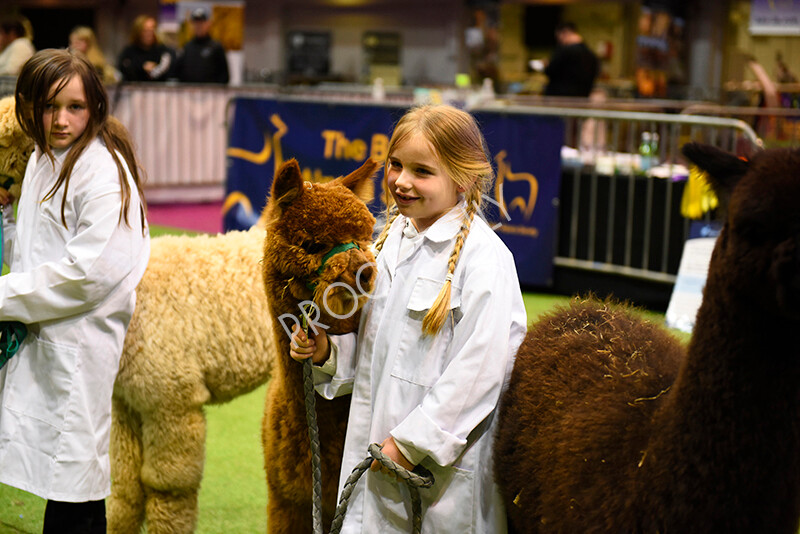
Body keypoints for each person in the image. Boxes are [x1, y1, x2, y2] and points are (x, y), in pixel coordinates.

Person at [290, 104, 527, 533]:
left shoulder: (486, 259)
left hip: (437, 475)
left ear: (464, 177)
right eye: (396, 165)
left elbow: (482, 370)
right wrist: (328, 351)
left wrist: (409, 442)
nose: (401, 181)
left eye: (422, 171)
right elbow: (374, 346)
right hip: (376, 454)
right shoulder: (388, 241)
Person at [0, 49, 150, 532]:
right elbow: (32, 249)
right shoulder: (46, 158)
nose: (60, 120)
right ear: (28, 106)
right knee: (54, 473)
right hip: (40, 333)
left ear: (96, 107)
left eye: (74, 107)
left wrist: (3, 297)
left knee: (75, 479)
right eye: (48, 107)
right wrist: (5, 218)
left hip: (77, 345)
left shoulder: (103, 173)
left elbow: (85, 275)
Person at [532, 21, 599, 97]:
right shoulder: (591, 54)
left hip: (559, 99)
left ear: (565, 33)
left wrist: (545, 65)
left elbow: (550, 71)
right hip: (582, 99)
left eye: (558, 37)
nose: (559, 41)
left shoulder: (564, 51)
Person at [174, 7, 229, 84]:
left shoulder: (216, 47)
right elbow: (177, 72)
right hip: (189, 92)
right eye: (196, 23)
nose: (198, 26)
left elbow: (224, 76)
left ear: (208, 24)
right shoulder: (187, 47)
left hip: (210, 93)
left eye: (201, 23)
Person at [117, 14, 175, 82]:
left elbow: (170, 72)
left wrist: (155, 69)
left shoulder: (164, 51)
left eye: (152, 30)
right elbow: (123, 69)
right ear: (138, 32)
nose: (149, 34)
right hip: (134, 90)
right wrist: (142, 67)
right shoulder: (129, 51)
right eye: (145, 31)